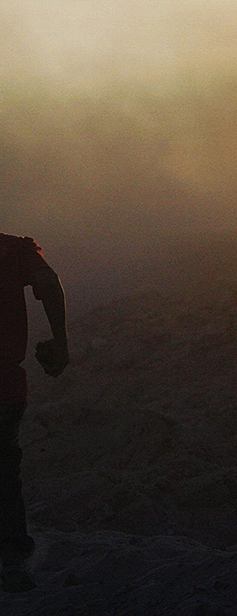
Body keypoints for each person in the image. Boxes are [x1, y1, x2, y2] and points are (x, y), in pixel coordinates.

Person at [1, 235, 68, 594]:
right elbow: (47, 280)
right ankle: (11, 562)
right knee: (5, 470)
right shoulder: (14, 250)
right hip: (6, 387)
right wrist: (61, 340)